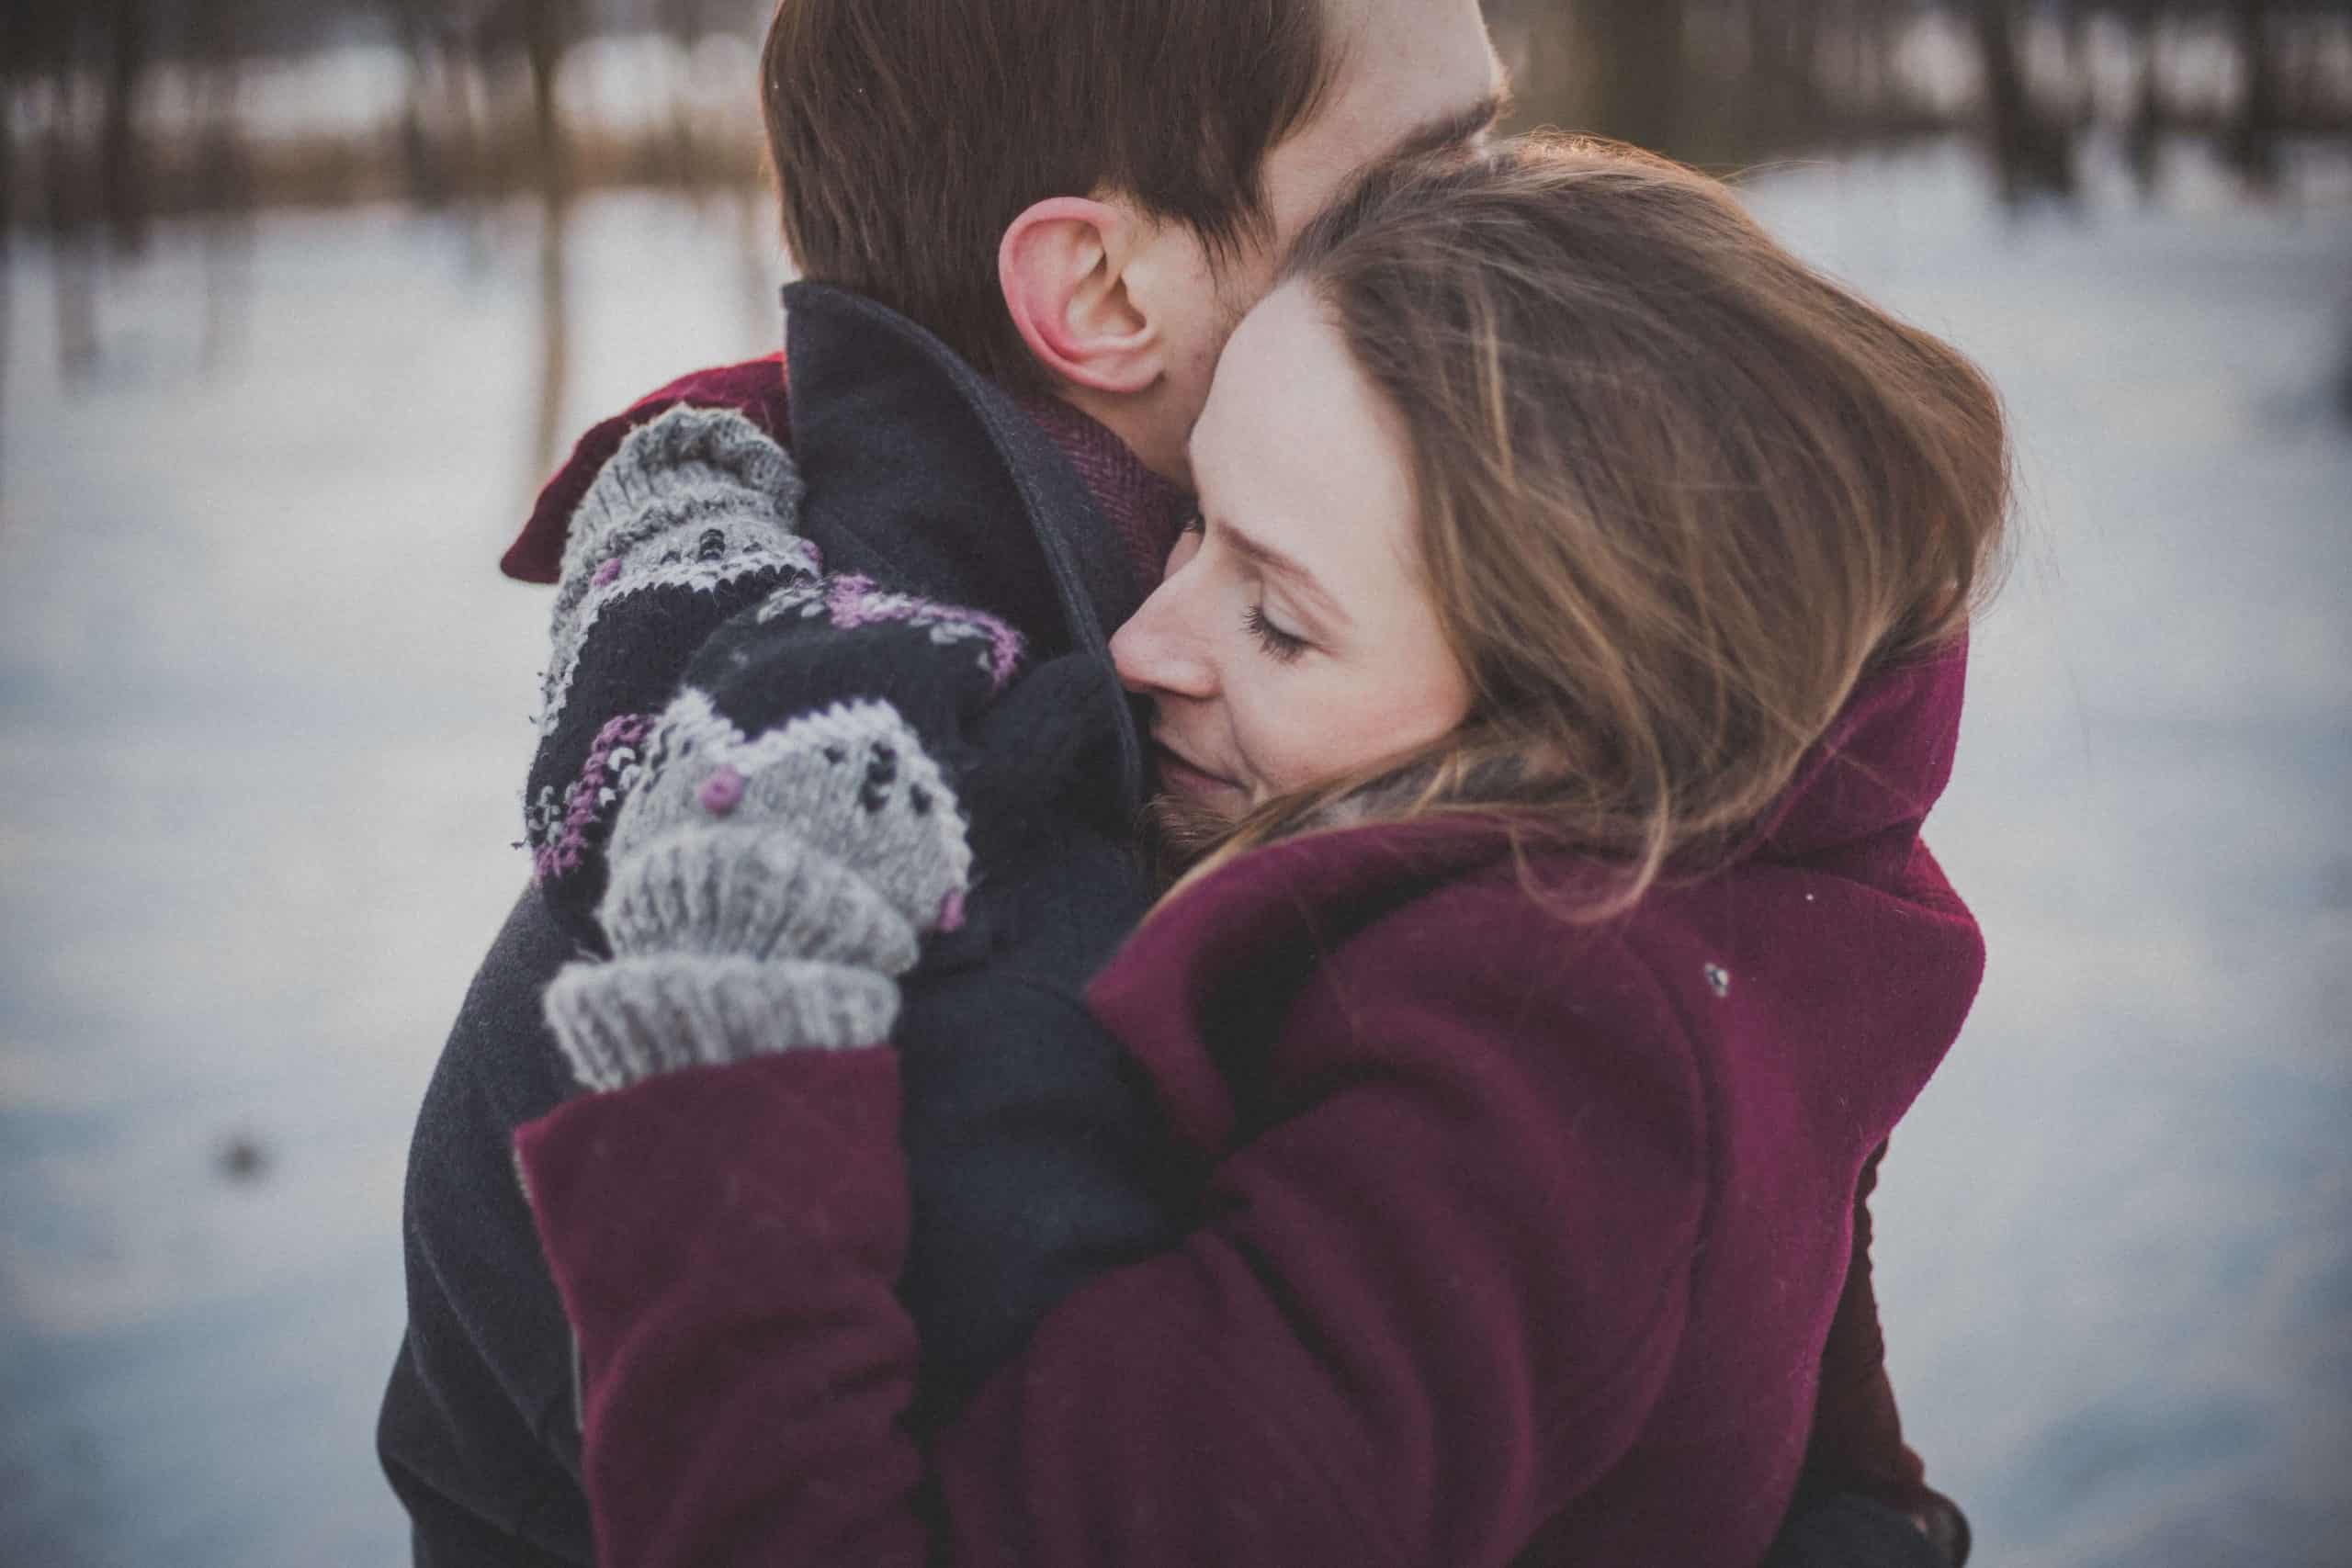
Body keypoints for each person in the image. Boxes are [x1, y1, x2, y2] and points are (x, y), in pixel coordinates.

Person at [510, 135, 2008, 1567]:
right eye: (1193, 521)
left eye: (1281, 621)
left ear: (1576, 727)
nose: (1145, 643)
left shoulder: (1533, 1101)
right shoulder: (1747, 891)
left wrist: (730, 1026)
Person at [377, 4, 1510, 1562]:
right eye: (1428, 180)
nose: (1528, 229)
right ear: (1102, 289)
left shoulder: (1201, 679)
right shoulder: (952, 906)